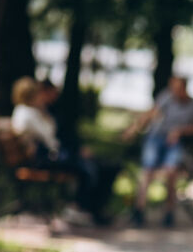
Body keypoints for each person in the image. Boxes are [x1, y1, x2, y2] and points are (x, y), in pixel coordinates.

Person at [10, 77, 118, 226]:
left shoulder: (31, 112)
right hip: (42, 160)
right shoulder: (27, 113)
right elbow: (48, 137)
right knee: (87, 168)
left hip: (45, 157)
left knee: (95, 165)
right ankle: (80, 208)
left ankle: (89, 209)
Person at [123, 76, 193, 227]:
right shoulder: (166, 97)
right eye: (172, 88)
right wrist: (133, 129)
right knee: (147, 172)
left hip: (175, 142)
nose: (174, 92)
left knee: (171, 172)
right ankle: (139, 210)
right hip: (156, 137)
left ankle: (169, 212)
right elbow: (152, 113)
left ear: (184, 88)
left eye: (177, 89)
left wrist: (179, 131)